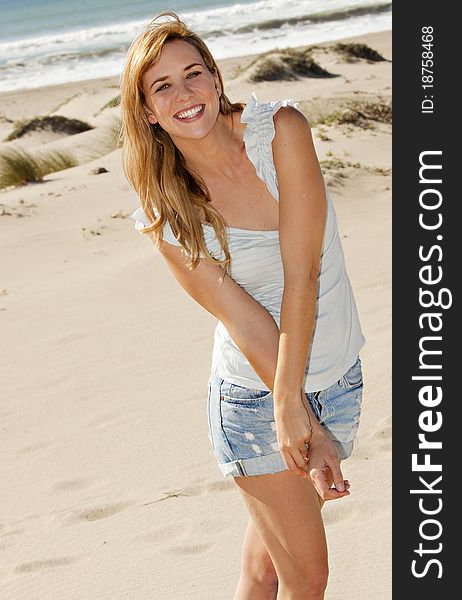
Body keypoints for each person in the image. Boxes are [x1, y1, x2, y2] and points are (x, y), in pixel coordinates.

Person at [121, 12, 365, 600]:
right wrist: (294, 414)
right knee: (307, 581)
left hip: (337, 379)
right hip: (257, 400)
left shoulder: (281, 131)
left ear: (216, 78)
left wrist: (304, 410)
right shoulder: (166, 215)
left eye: (193, 73)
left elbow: (301, 274)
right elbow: (246, 320)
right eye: (163, 87)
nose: (185, 94)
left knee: (263, 572)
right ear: (148, 112)